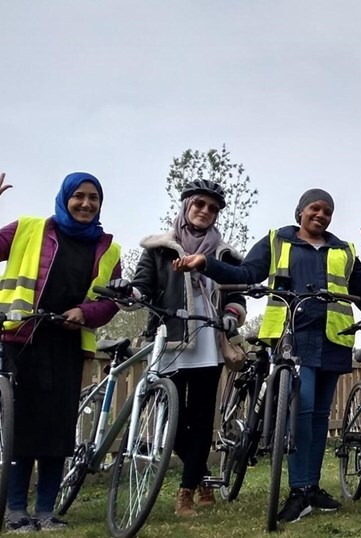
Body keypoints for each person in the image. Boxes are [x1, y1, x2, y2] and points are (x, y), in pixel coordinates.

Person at [173, 189, 361, 522]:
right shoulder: (276, 240)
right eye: (315, 208)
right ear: (300, 211)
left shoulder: (343, 249)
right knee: (303, 411)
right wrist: (207, 264)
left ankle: (311, 488)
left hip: (333, 339)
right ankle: (299, 490)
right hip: (292, 338)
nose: (322, 215)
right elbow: (247, 274)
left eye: (328, 211)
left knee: (318, 417)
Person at [110, 180, 247, 516]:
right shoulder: (161, 248)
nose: (205, 211)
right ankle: (200, 475)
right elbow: (142, 287)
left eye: (212, 208)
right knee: (173, 417)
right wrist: (129, 291)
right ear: (186, 206)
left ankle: (186, 491)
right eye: (199, 204)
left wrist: (231, 314)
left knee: (201, 419)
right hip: (171, 339)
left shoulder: (223, 254)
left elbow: (236, 296)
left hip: (209, 343)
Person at [1, 173, 123, 532]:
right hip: (22, 339)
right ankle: (15, 510)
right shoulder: (28, 228)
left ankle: (46, 511)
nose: (86, 204)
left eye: (93, 199)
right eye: (79, 197)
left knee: (56, 433)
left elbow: (111, 300)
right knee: (21, 429)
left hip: (68, 345)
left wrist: (86, 313)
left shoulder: (108, 248)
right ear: (65, 198)